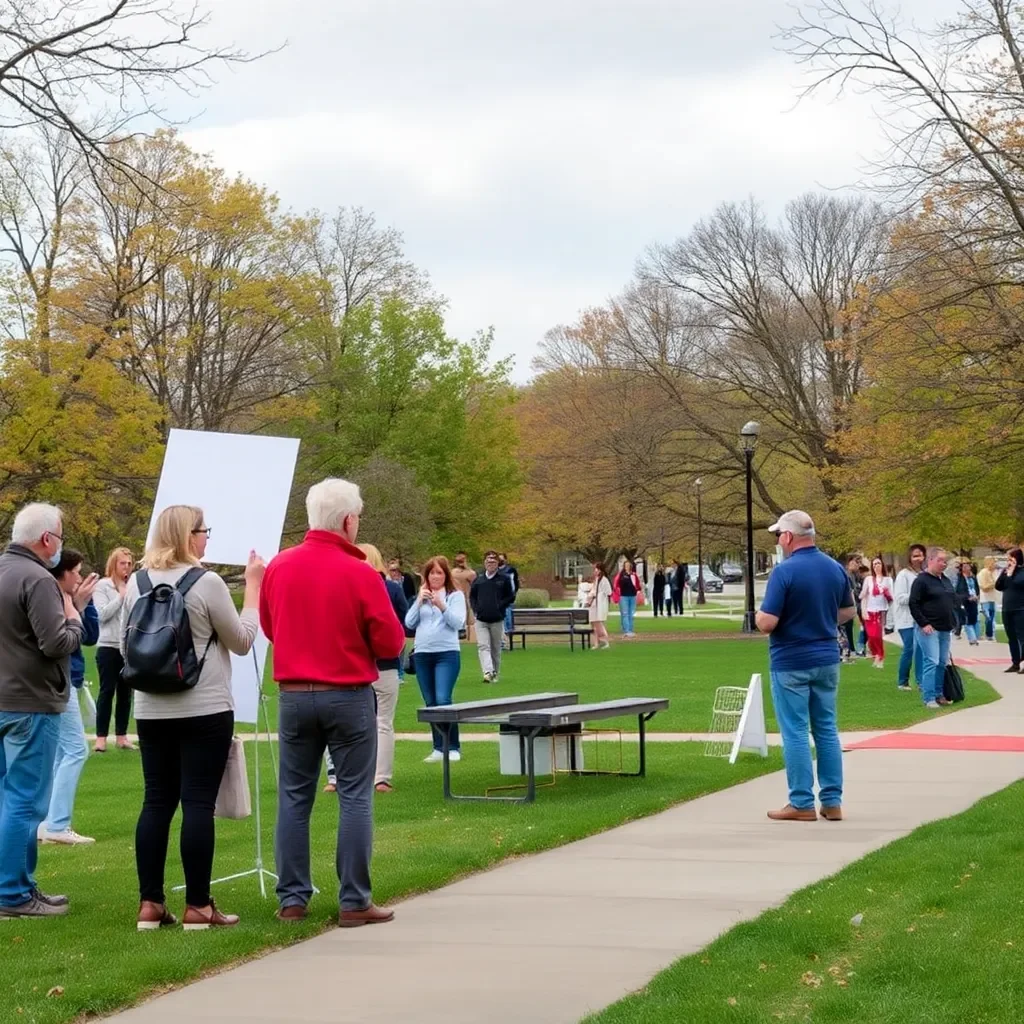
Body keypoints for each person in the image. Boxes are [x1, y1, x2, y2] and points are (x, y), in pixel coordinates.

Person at [261, 480, 403, 927]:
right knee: (356, 796)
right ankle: (354, 900)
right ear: (348, 521)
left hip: (295, 695)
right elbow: (390, 640)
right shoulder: (360, 572)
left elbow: (270, 626)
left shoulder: (279, 567)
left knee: (294, 797)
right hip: (347, 694)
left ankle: (292, 899)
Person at [123, 505, 263, 931]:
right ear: (188, 536)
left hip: (150, 707)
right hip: (203, 706)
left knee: (156, 802)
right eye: (203, 531)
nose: (207, 539)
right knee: (197, 802)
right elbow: (241, 642)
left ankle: (150, 902)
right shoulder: (207, 582)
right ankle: (199, 906)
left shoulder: (136, 582)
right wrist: (253, 592)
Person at [0, 503, 92, 918]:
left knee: (8, 797)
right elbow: (56, 642)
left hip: (5, 698)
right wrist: (74, 616)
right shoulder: (37, 578)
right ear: (47, 539)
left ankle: (17, 886)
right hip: (31, 701)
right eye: (60, 537)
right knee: (25, 801)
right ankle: (14, 893)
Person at [755, 510, 854, 822]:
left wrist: (758, 618)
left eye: (778, 536)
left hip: (791, 660)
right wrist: (822, 620)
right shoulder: (834, 568)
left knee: (795, 731)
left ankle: (801, 802)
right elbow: (848, 611)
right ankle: (832, 801)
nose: (778, 542)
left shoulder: (785, 572)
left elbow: (768, 622)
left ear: (788, 536)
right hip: (826, 657)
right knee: (826, 728)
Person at [38, 549, 100, 845]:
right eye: (75, 571)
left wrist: (83, 606)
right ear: (61, 573)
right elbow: (58, 641)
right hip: (57, 682)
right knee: (76, 750)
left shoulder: (69, 598)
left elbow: (89, 636)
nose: (79, 576)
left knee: (61, 752)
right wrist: (74, 608)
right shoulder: (48, 598)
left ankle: (45, 822)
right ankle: (57, 825)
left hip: (69, 680)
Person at [406, 556, 467, 762]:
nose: (435, 576)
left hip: (447, 653)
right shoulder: (422, 595)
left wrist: (442, 606)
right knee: (430, 702)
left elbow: (458, 622)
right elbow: (409, 622)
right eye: (431, 572)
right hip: (423, 653)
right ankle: (438, 748)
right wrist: (418, 602)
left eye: (439, 572)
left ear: (446, 575)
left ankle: (453, 746)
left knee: (443, 699)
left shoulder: (454, 596)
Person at [92, 547, 136, 752]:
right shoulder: (102, 586)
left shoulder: (134, 586)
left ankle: (122, 736)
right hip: (108, 646)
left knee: (125, 693)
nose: (126, 567)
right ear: (114, 564)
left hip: (127, 647)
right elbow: (101, 615)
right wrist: (120, 597)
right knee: (107, 691)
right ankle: (100, 738)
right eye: (122, 563)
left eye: (129, 563)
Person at [909, 547, 958, 707]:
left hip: (945, 627)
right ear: (930, 560)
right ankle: (928, 697)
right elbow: (913, 603)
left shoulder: (945, 580)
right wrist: (923, 623)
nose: (943, 564)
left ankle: (939, 693)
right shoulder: (922, 581)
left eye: (945, 561)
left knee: (942, 662)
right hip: (929, 628)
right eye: (940, 560)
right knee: (931, 661)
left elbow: (951, 600)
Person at [470, 550, 514, 684]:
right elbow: (472, 596)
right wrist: (476, 609)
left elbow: (510, 596)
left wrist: (499, 606)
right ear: (484, 563)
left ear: (497, 564)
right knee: (483, 646)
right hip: (481, 619)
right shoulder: (479, 580)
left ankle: (495, 672)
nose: (490, 564)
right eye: (488, 561)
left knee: (495, 648)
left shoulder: (504, 579)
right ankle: (487, 671)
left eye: (493, 562)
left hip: (497, 619)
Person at [893, 544, 926, 691]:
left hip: (921, 619)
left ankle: (921, 681)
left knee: (921, 650)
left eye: (920, 555)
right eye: (915, 556)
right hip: (906, 619)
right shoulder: (904, 575)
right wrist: (918, 597)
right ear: (910, 558)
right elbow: (900, 598)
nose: (918, 558)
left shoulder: (924, 574)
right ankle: (902, 681)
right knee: (910, 648)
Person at [859, 556, 893, 669]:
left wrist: (886, 592)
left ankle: (880, 656)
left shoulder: (888, 580)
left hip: (881, 610)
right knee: (871, 635)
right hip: (869, 610)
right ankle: (876, 654)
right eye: (874, 564)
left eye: (878, 563)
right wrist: (863, 608)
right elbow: (863, 595)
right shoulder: (868, 579)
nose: (876, 566)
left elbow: (892, 597)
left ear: (882, 565)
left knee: (878, 635)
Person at [996, 548, 1024, 673]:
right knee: (1011, 637)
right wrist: (1006, 574)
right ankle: (1015, 662)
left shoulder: (1022, 572)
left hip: (1020, 608)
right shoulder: (1006, 572)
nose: (1009, 561)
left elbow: (1017, 584)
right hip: (1007, 608)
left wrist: (1012, 573)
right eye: (1008, 559)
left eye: (1011, 558)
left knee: (1022, 637)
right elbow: (999, 586)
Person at [612, 559, 643, 638]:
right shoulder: (621, 575)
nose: (627, 567)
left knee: (631, 613)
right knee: (625, 613)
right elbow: (616, 585)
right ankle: (627, 630)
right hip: (623, 596)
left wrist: (638, 590)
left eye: (628, 565)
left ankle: (630, 629)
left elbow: (637, 585)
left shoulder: (633, 574)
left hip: (632, 595)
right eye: (626, 565)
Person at [451, 552, 477, 642]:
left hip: (458, 596)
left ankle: (461, 633)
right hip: (465, 597)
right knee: (466, 617)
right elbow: (474, 585)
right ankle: (466, 635)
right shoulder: (470, 573)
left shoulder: (452, 572)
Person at [586, 564, 613, 649]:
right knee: (593, 624)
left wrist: (599, 595)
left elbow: (609, 592)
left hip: (599, 604)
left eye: (597, 569)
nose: (595, 571)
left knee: (599, 624)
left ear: (600, 570)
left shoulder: (604, 580)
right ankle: (596, 643)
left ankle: (605, 641)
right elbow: (593, 590)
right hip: (593, 604)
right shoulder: (597, 579)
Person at [955, 560, 981, 646]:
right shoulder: (959, 578)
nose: (967, 568)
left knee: (974, 619)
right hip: (964, 601)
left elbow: (976, 588)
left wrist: (977, 596)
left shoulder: (973, 578)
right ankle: (972, 639)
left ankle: (976, 637)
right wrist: (967, 597)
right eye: (964, 566)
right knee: (967, 620)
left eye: (968, 566)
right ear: (961, 568)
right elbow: (958, 591)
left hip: (974, 601)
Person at [497, 552, 519, 640]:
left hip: (508, 599)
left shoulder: (511, 570)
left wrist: (512, 594)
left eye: (501, 559)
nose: (500, 561)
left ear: (505, 560)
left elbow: (515, 583)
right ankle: (503, 636)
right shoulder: (494, 571)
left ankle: (508, 633)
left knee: (508, 615)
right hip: (497, 599)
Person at [977, 555, 999, 642]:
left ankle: (991, 634)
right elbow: (984, 588)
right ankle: (988, 634)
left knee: (992, 618)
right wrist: (994, 584)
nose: (995, 564)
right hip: (986, 599)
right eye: (994, 562)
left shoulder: (994, 572)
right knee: (988, 618)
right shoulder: (983, 573)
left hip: (993, 598)